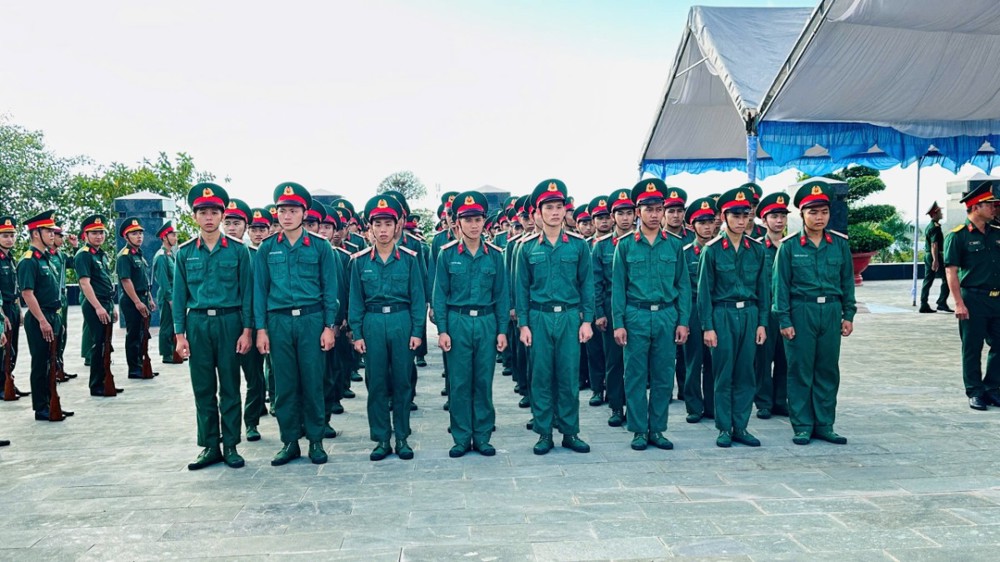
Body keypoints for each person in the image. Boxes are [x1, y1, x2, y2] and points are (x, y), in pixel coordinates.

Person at [254, 182, 340, 466]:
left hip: (311, 320)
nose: (287, 216)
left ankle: (315, 440)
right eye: (282, 210)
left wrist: (329, 326)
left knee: (313, 382)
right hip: (278, 322)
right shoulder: (267, 248)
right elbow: (259, 292)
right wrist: (261, 330)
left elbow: (330, 289)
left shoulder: (320, 246)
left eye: (293, 210)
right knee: (284, 385)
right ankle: (289, 441)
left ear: (304, 213)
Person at [174, 183, 254, 470]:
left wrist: (247, 331)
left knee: (230, 386)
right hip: (197, 323)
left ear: (222, 215)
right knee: (203, 387)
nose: (208, 218)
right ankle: (210, 446)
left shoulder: (238, 250)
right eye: (203, 212)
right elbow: (178, 295)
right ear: (194, 216)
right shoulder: (185, 253)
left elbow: (247, 293)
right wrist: (179, 335)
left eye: (214, 212)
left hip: (230, 322)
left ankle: (231, 445)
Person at [515, 179, 595, 455]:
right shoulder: (526, 247)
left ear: (565, 210)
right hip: (539, 317)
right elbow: (521, 289)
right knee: (540, 376)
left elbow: (587, 285)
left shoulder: (578, 245)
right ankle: (544, 432)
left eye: (559, 207)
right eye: (548, 207)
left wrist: (587, 321)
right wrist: (523, 325)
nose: (555, 212)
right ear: (538, 213)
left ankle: (570, 432)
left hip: (570, 317)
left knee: (569, 376)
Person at [773, 180, 856, 444]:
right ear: (802, 214)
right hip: (802, 311)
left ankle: (824, 424)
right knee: (800, 370)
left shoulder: (839, 244)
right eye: (813, 212)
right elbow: (780, 286)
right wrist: (784, 319)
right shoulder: (789, 246)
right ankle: (802, 425)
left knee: (827, 369)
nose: (819, 217)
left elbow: (847, 282)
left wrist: (848, 314)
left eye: (824, 212)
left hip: (830, 311)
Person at [612, 179, 690, 451]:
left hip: (667, 315)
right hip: (636, 315)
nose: (655, 215)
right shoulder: (625, 245)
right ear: (638, 212)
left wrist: (683, 321)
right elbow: (618, 288)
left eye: (659, 209)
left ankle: (657, 429)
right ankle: (638, 430)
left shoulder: (674, 245)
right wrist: (618, 323)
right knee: (635, 375)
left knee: (663, 375)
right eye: (649, 209)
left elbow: (683, 285)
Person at [348, 195, 426, 461]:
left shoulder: (410, 259)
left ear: (397, 226)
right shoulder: (359, 261)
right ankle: (381, 438)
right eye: (377, 224)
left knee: (402, 381)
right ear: (370, 227)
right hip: (372, 323)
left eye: (388, 224)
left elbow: (418, 298)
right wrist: (357, 333)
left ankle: (402, 436)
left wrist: (417, 332)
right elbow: (355, 300)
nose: (383, 230)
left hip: (401, 321)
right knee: (376, 382)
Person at [433, 191, 509, 458]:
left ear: (484, 221)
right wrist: (442, 330)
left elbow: (502, 296)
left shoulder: (495, 255)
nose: (474, 225)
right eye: (468, 220)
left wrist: (502, 330)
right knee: (459, 383)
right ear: (458, 223)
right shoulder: (446, 254)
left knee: (483, 382)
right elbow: (439, 295)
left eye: (478, 219)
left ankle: (483, 436)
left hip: (486, 321)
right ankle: (462, 437)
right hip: (458, 322)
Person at [698, 186, 769, 448]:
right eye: (735, 215)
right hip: (723, 314)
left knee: (746, 373)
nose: (741, 221)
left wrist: (762, 323)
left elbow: (763, 289)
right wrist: (708, 327)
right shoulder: (713, 250)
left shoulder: (756, 249)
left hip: (749, 314)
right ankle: (724, 428)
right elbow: (704, 292)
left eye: (745, 215)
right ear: (723, 217)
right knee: (723, 373)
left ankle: (741, 426)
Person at [944, 182, 1000, 410]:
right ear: (976, 207)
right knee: (972, 347)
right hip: (973, 299)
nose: (995, 208)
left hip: (997, 299)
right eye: (990, 205)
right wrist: (958, 303)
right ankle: (975, 391)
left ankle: (992, 388)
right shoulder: (957, 236)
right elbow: (951, 272)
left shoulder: (997, 233)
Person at [17, 210, 72, 421]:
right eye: (48, 231)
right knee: (41, 363)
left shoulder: (47, 258)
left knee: (52, 361)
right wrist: (42, 320)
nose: (52, 234)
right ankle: (41, 407)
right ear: (35, 233)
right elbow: (27, 293)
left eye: (52, 231)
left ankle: (52, 402)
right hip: (40, 317)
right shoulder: (29, 260)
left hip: (53, 315)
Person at [224, 198, 268, 441]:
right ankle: (228, 428)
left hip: (250, 323)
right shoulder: (218, 252)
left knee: (255, 377)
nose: (232, 228)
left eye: (237, 223)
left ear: (245, 226)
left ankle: (251, 421)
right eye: (228, 223)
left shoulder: (256, 255)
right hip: (226, 324)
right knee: (227, 380)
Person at [593, 188, 635, 427]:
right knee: (614, 360)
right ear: (612, 216)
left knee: (636, 362)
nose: (625, 218)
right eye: (620, 213)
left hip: (636, 307)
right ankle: (616, 406)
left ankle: (635, 408)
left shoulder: (640, 242)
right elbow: (596, 282)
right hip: (611, 308)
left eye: (629, 213)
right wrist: (599, 313)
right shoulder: (601, 246)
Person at [75, 215, 123, 397]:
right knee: (98, 344)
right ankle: (96, 384)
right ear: (85, 235)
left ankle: (105, 380)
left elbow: (105, 281)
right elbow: (85, 283)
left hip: (106, 302)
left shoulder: (100, 254)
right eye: (94, 233)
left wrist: (111, 307)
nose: (99, 236)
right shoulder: (84, 255)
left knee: (105, 343)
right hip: (95, 303)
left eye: (101, 232)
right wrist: (98, 307)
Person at [753, 192, 791, 419]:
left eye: (782, 216)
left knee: (785, 358)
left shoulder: (792, 246)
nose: (779, 221)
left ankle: (780, 400)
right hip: (765, 312)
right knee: (763, 359)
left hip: (786, 311)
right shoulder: (756, 247)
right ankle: (764, 402)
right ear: (764, 220)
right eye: (774, 216)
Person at [682, 197, 717, 423]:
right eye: (701, 223)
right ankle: (694, 406)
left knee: (714, 360)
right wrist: (683, 319)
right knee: (693, 360)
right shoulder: (685, 253)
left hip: (716, 309)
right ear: (691, 226)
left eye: (710, 222)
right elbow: (681, 288)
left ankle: (712, 405)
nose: (707, 227)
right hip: (693, 309)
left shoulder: (718, 250)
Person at [116, 217, 156, 379]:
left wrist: (149, 298)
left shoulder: (138, 254)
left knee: (142, 334)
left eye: (140, 233)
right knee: (133, 335)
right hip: (132, 300)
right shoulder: (124, 256)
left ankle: (142, 364)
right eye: (134, 234)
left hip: (142, 297)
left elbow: (143, 280)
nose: (139, 236)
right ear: (126, 237)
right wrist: (137, 302)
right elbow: (126, 281)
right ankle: (134, 368)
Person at [0, 215, 29, 398]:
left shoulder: (9, 258)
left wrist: (19, 310)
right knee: (3, 349)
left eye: (12, 235)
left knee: (13, 348)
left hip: (12, 307)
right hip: (2, 309)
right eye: (5, 236)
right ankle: (2, 387)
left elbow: (15, 288)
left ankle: (9, 381)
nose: (9, 239)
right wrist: (2, 315)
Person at [152, 222, 180, 364]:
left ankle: (175, 351)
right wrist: (170, 299)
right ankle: (166, 353)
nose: (175, 238)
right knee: (167, 324)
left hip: (174, 293)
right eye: (173, 235)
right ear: (164, 237)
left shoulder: (170, 254)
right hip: (167, 295)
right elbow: (163, 280)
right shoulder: (161, 256)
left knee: (174, 324)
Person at [921, 202, 953, 313]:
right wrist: (935, 260)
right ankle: (941, 302)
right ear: (934, 214)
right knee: (947, 279)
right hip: (934, 255)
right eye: (940, 212)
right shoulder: (935, 228)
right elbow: (934, 244)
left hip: (928, 255)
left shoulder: (930, 226)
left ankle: (924, 304)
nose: (941, 213)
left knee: (928, 280)